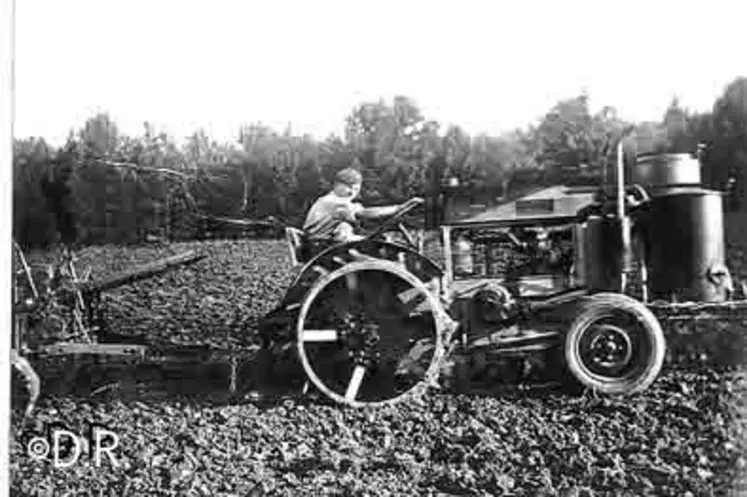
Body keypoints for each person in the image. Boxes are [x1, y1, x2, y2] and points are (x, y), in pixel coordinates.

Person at [303, 167, 417, 243]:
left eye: (356, 189)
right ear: (336, 185)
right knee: (380, 244)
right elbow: (365, 213)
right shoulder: (332, 202)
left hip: (326, 243)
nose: (352, 192)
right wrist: (398, 208)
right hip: (323, 245)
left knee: (382, 240)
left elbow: (363, 213)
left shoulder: (337, 202)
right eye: (348, 187)